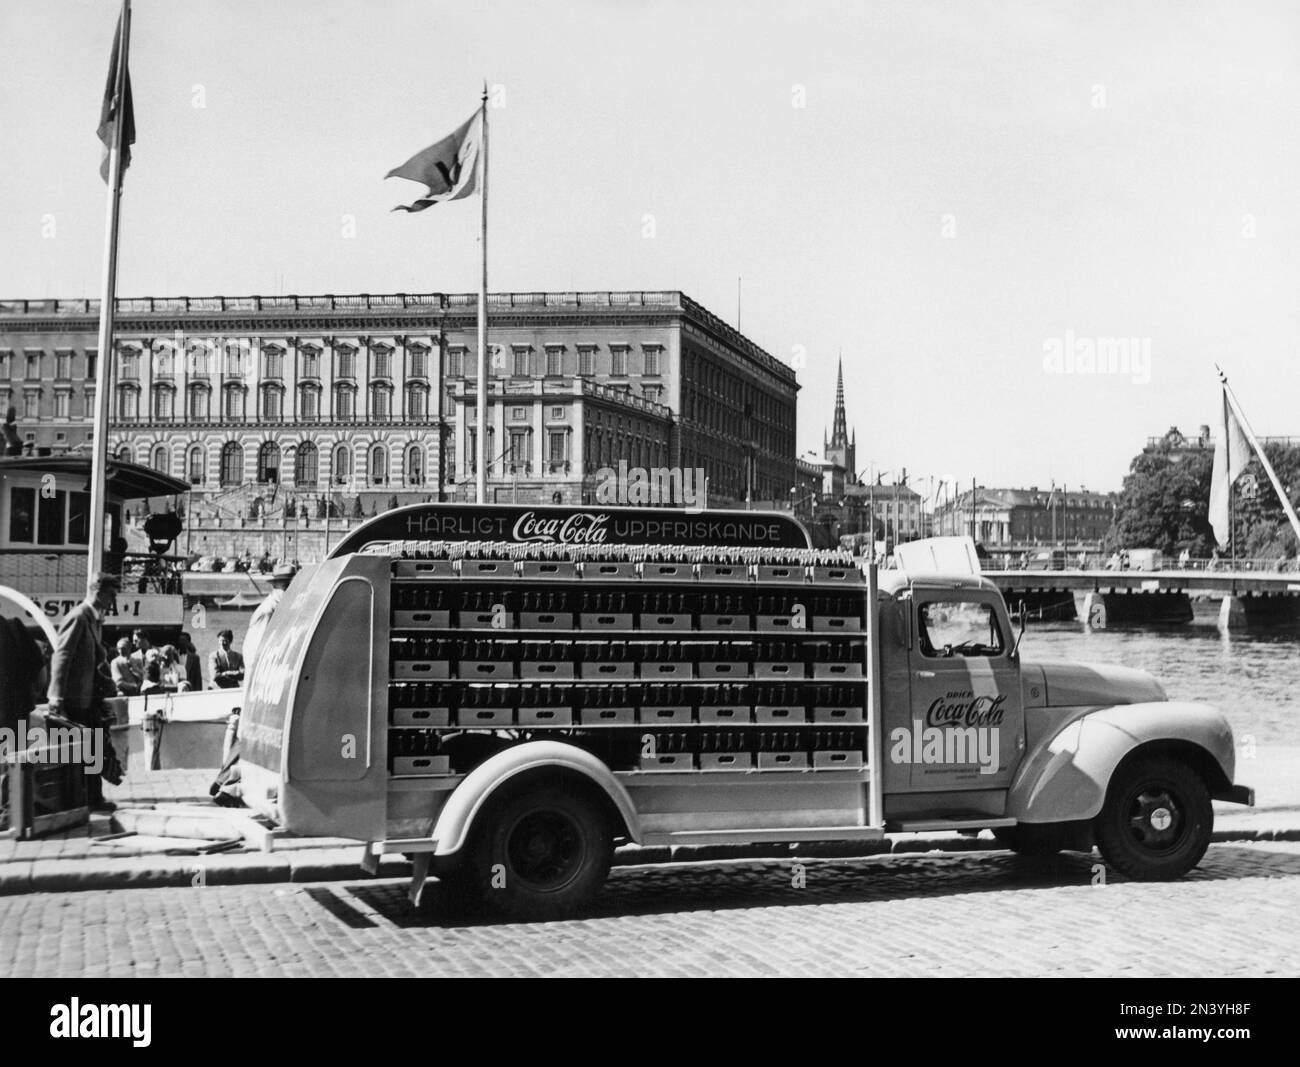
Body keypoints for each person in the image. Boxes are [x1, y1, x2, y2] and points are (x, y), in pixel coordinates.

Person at [47, 573, 123, 809]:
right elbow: (62, 656)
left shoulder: (92, 620)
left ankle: (93, 799)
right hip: (73, 700)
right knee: (80, 750)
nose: (113, 602)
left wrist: (104, 680)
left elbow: (86, 662)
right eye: (111, 596)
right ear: (98, 593)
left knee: (93, 747)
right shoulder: (79, 618)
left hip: (88, 698)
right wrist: (56, 696)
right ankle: (83, 800)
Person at [243, 563, 295, 667]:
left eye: (292, 586)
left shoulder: (280, 608)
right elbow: (255, 651)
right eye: (286, 586)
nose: (290, 590)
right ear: (274, 586)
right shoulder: (267, 611)